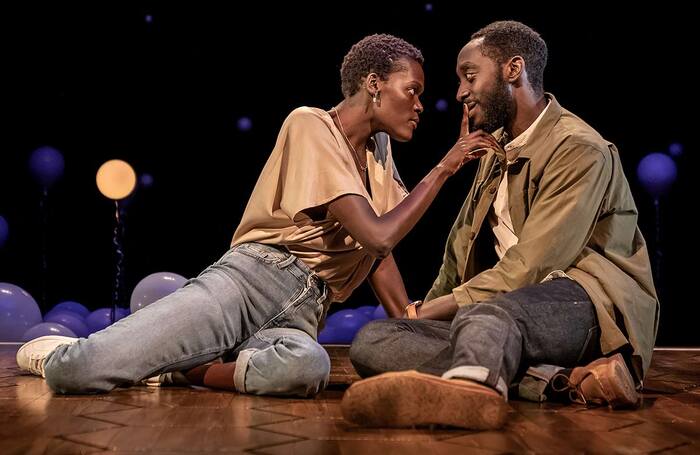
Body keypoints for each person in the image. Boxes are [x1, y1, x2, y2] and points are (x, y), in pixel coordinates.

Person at [15, 33, 488, 397]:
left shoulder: (380, 152)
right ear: (374, 83)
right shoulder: (310, 124)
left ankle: (189, 369)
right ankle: (55, 355)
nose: (421, 105)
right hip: (246, 284)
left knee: (307, 368)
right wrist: (445, 167)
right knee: (76, 373)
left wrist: (405, 319)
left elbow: (376, 255)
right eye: (413, 90)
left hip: (304, 311)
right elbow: (379, 235)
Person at [342, 21, 659, 430]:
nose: (460, 92)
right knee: (375, 340)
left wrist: (432, 311)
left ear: (513, 70)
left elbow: (532, 267)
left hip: (586, 302)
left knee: (487, 315)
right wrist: (413, 319)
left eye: (469, 76)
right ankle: (555, 381)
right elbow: (459, 253)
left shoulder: (579, 148)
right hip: (504, 312)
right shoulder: (495, 150)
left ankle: (473, 394)